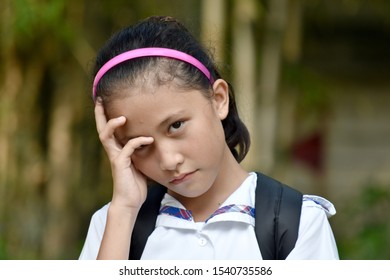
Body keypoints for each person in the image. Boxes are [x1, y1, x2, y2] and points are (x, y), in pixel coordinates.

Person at [79, 16, 339, 260]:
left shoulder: (297, 223)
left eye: (176, 126)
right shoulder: (113, 226)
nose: (168, 161)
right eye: (141, 145)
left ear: (218, 100)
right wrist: (124, 211)